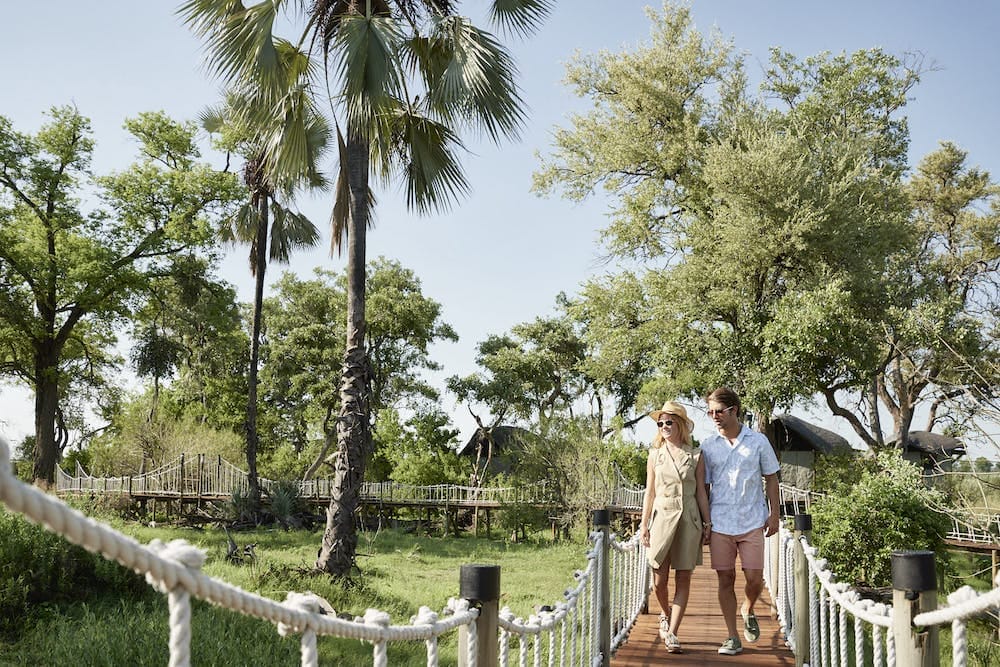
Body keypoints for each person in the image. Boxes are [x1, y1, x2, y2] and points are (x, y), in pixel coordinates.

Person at [700, 387, 780, 656]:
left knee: (755, 579)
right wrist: (704, 523)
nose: (714, 417)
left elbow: (771, 478)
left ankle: (748, 607)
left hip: (752, 520)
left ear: (733, 410)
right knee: (726, 578)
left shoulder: (758, 441)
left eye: (718, 411)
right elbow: (704, 488)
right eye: (710, 412)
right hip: (720, 522)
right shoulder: (708, 446)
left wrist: (775, 514)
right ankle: (732, 636)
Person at [639, 400, 711, 654]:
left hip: (688, 518)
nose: (664, 426)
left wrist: (707, 522)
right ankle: (665, 613)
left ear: (680, 424)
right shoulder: (654, 455)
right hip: (661, 517)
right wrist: (644, 524)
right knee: (659, 580)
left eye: (669, 422)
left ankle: (672, 633)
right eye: (660, 423)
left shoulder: (696, 455)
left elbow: (701, 492)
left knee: (683, 577)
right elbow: (650, 492)